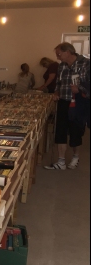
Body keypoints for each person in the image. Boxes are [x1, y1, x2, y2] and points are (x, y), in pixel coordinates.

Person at [44, 42, 90, 170]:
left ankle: (76, 157)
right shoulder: (61, 66)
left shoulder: (85, 63)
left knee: (76, 132)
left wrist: (80, 89)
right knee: (60, 131)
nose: (58, 57)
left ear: (68, 52)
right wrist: (57, 92)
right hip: (63, 101)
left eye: (59, 54)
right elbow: (58, 83)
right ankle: (61, 161)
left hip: (78, 102)